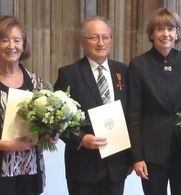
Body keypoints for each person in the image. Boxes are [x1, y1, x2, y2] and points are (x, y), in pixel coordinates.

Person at [54, 16, 131, 195]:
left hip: (116, 164)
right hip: (83, 165)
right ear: (82, 41)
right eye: (94, 37)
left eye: (106, 37)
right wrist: (80, 138)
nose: (101, 42)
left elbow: (132, 114)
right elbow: (59, 120)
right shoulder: (68, 74)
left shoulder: (124, 71)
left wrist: (131, 158)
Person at [126, 8, 181, 195]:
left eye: (171, 29)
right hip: (152, 152)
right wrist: (137, 157)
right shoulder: (138, 65)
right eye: (160, 29)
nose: (166, 34)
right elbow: (133, 115)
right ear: (152, 34)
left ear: (177, 33)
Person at [0, 16, 47, 195]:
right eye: (4, 40)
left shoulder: (35, 81)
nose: (11, 45)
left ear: (24, 45)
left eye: (17, 40)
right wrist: (6, 146)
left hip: (30, 168)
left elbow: (43, 122)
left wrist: (50, 133)